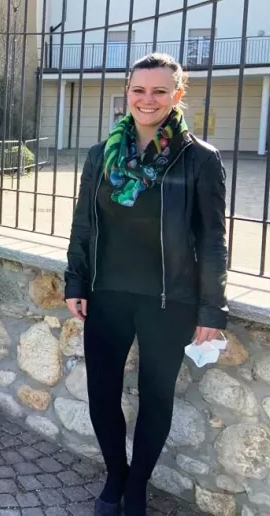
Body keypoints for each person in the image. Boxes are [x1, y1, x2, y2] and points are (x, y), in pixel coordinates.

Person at [64, 53, 229, 516]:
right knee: (102, 393)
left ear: (178, 94)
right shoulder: (102, 155)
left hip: (169, 301)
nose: (148, 99)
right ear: (127, 93)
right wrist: (75, 279)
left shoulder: (200, 159)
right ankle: (115, 475)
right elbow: (84, 226)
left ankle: (137, 487)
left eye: (160, 90)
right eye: (139, 90)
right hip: (106, 295)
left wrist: (211, 311)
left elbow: (213, 240)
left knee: (156, 397)